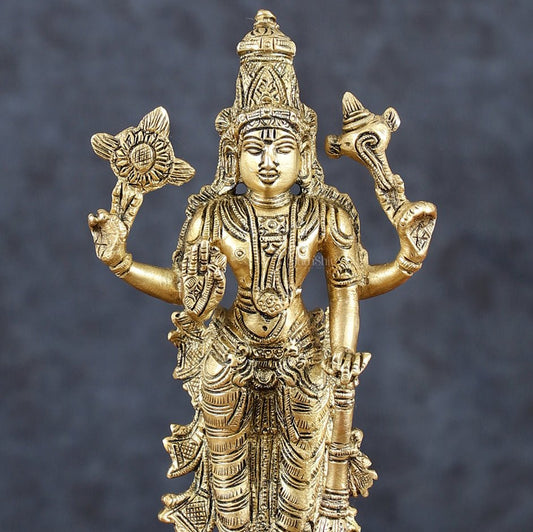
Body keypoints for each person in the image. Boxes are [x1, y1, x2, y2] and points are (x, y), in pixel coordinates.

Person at [88, 11, 436, 532]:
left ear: (304, 154)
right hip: (231, 351)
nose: (268, 160)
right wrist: (121, 260)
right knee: (229, 499)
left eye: (282, 147)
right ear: (233, 154)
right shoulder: (213, 216)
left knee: (301, 501)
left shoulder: (327, 215)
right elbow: (185, 289)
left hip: (301, 350)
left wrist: (407, 260)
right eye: (255, 148)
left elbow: (350, 290)